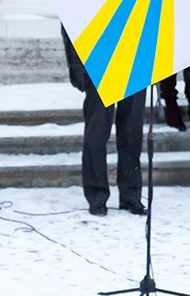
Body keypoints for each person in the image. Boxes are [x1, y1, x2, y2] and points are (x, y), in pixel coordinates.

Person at [62, 26, 146, 216]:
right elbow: (70, 22)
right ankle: (97, 195)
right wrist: (76, 66)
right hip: (99, 60)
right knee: (96, 134)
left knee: (132, 134)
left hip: (134, 59)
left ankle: (131, 195)